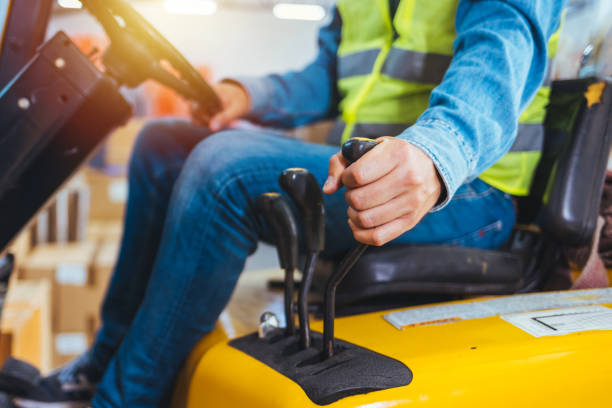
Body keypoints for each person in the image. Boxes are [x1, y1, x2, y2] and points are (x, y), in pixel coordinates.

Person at [13, 0, 565, 407]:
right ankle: (101, 363)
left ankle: (124, 400)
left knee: (223, 167)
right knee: (162, 144)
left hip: (469, 192)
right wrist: (250, 95)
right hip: (358, 171)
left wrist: (435, 153)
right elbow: (328, 74)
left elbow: (501, 54)